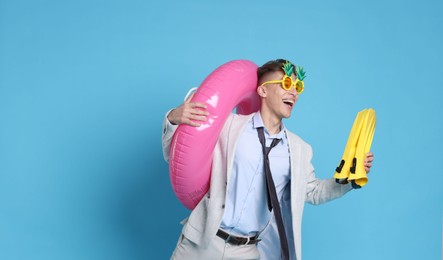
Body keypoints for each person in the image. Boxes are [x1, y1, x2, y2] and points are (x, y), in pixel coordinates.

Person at [162, 59, 374, 260]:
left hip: (247, 251)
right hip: (203, 241)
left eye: (298, 87)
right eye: (286, 83)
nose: (293, 92)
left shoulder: (299, 149)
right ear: (262, 90)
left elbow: (313, 192)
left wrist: (349, 179)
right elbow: (178, 155)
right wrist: (173, 118)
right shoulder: (228, 125)